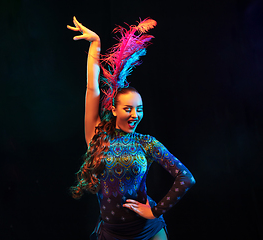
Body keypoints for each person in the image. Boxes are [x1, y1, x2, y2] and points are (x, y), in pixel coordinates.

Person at [67, 16, 196, 240]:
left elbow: (185, 177)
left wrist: (155, 211)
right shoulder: (97, 134)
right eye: (128, 109)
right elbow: (92, 88)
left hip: (149, 229)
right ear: (115, 110)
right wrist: (95, 44)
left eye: (139, 109)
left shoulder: (146, 143)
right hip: (113, 233)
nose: (135, 115)